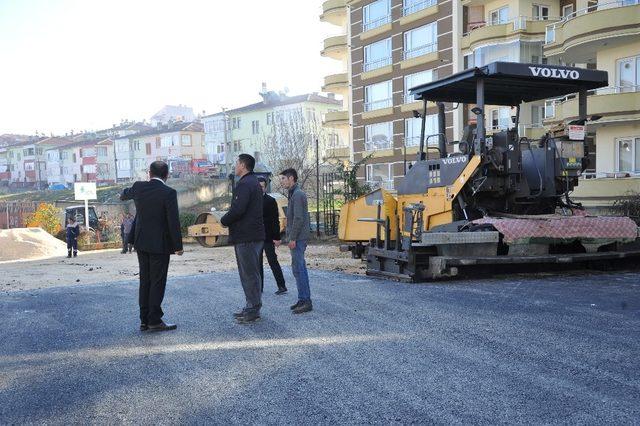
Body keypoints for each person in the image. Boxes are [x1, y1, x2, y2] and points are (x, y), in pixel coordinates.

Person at [120, 161, 183, 332]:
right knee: (157, 281)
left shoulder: (139, 187)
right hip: (160, 244)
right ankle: (154, 320)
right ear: (167, 175)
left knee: (145, 280)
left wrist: (127, 192)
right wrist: (178, 246)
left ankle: (144, 320)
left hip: (141, 242)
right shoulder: (168, 193)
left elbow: (124, 194)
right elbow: (173, 221)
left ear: (149, 173)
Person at [220, 154, 265, 324]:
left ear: (243, 165)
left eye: (236, 163)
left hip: (247, 236)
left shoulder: (245, 184)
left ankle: (253, 309)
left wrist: (223, 220)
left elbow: (238, 209)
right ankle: (251, 306)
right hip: (251, 235)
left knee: (249, 274)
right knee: (251, 273)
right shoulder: (252, 182)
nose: (234, 165)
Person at [279, 168, 312, 314]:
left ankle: (305, 301)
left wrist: (292, 238)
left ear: (291, 178)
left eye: (283, 179)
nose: (282, 182)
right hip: (296, 238)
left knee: (299, 269)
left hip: (298, 238)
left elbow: (298, 218)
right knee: (297, 269)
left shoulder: (298, 194)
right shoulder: (293, 194)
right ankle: (302, 299)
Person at [257, 176, 287, 295]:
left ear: (265, 187)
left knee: (272, 261)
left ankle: (282, 286)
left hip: (268, 237)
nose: (260, 189)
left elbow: (275, 221)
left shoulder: (270, 201)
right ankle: (259, 288)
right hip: (256, 237)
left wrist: (277, 238)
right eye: (258, 187)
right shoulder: (251, 201)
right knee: (257, 263)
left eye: (262, 187)